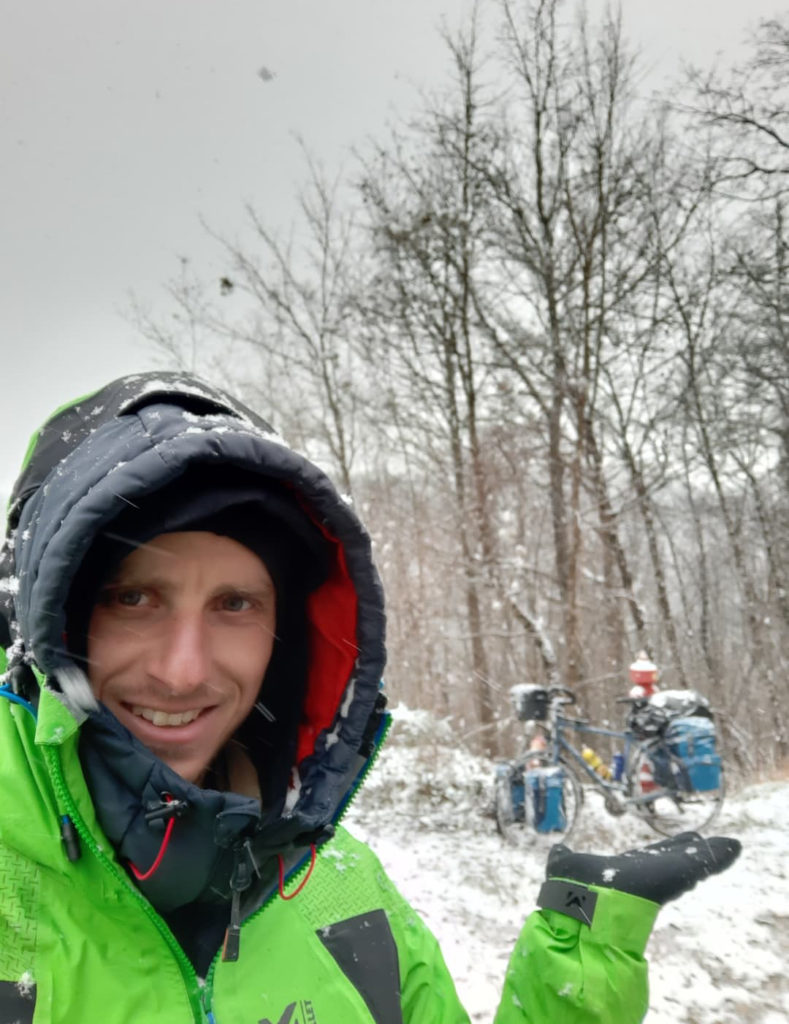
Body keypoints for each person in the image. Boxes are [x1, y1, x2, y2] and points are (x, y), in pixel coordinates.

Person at [0, 372, 740, 1024]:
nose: (185, 671)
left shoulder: (338, 892)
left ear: (287, 640)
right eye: (133, 597)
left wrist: (575, 971)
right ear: (50, 619)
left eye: (235, 605)